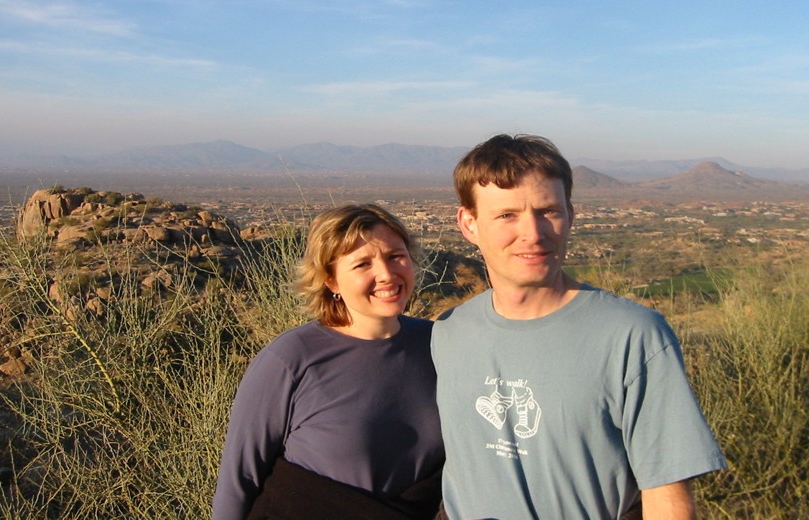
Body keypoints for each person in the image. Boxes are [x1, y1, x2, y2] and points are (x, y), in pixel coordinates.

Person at [431, 134, 726, 520]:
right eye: (507, 215)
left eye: (548, 211)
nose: (533, 234)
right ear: (468, 223)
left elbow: (667, 494)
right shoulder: (448, 331)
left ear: (570, 215)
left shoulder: (632, 336)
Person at [212, 204, 445, 520]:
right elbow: (239, 481)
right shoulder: (291, 360)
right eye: (363, 264)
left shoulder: (439, 345)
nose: (387, 275)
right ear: (331, 281)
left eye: (395, 256)